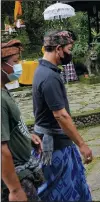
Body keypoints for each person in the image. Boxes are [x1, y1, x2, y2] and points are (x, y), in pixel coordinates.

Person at [32, 30, 93, 201]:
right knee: (59, 192)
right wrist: (82, 144)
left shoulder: (44, 71)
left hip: (56, 142)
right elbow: (61, 116)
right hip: (55, 148)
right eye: (69, 48)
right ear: (58, 49)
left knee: (72, 186)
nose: (70, 53)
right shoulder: (49, 77)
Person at [1, 39, 44, 201]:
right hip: (17, 177)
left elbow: (11, 126)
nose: (19, 67)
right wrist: (15, 190)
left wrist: (26, 137)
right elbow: (1, 149)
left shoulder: (4, 90)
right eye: (15, 62)